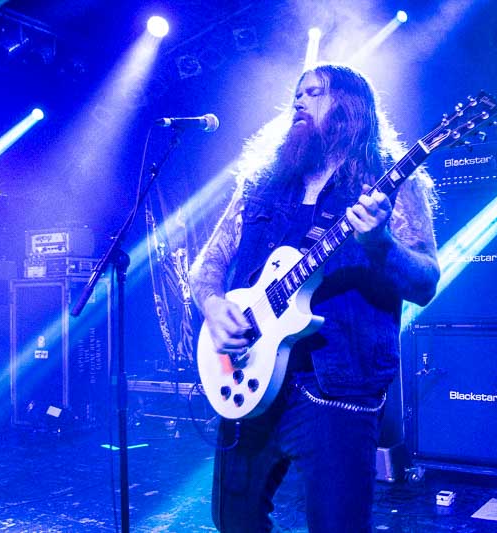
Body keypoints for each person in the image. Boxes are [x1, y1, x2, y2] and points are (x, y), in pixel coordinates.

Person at [188, 63, 439, 532]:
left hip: (337, 387)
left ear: (350, 108)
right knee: (232, 519)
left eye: (315, 92)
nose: (299, 101)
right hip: (250, 375)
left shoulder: (389, 185)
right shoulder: (262, 185)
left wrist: (381, 243)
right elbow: (208, 263)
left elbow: (426, 283)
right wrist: (213, 306)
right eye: (297, 94)